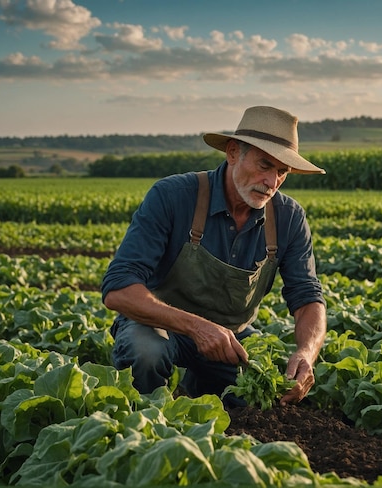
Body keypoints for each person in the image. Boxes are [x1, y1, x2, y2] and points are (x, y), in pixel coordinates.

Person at [101, 106, 327, 407]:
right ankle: (144, 430)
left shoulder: (288, 217)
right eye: (264, 165)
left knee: (269, 390)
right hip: (159, 325)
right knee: (146, 352)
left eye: (281, 172)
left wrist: (306, 352)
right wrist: (198, 327)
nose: (271, 181)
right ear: (233, 153)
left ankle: (200, 385)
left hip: (232, 338)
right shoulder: (173, 196)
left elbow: (308, 297)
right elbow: (118, 290)